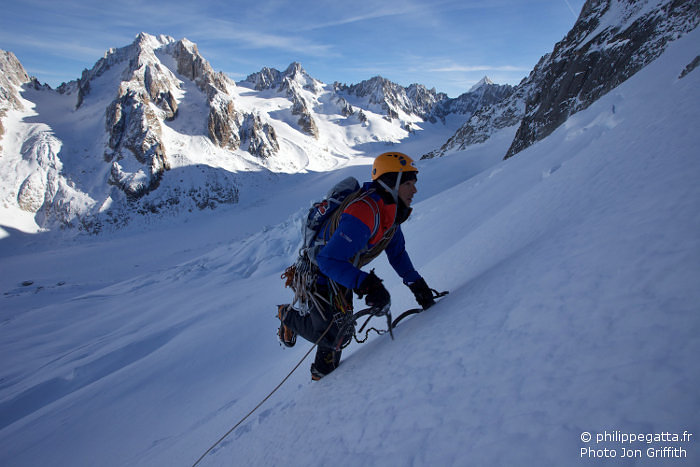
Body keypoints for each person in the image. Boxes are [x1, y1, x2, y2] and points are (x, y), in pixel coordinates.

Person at [278, 152, 437, 380]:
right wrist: (367, 285)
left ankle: (322, 378)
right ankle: (287, 316)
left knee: (339, 333)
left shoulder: (390, 212)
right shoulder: (364, 212)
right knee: (333, 336)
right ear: (391, 183)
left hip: (342, 269)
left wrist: (417, 284)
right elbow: (327, 260)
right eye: (408, 183)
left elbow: (397, 253)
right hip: (320, 272)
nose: (414, 190)